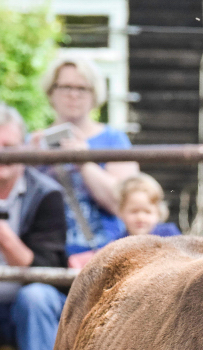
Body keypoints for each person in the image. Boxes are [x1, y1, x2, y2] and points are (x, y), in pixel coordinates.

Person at [0, 104, 68, 350]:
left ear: (25, 149)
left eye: (8, 147)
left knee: (38, 297)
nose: (1, 155)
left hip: (26, 309)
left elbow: (48, 266)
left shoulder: (47, 194)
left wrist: (4, 235)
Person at [33, 56, 139, 255]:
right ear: (51, 92)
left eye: (82, 88)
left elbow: (125, 204)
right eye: (65, 87)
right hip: (48, 254)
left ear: (94, 94)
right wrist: (29, 159)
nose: (74, 95)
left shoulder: (114, 139)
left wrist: (84, 162)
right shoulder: (33, 142)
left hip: (105, 253)